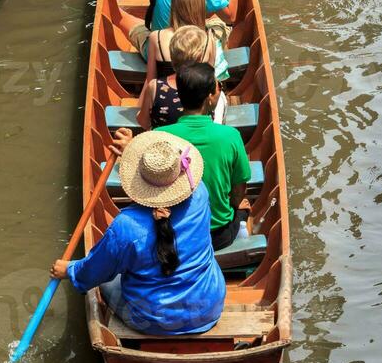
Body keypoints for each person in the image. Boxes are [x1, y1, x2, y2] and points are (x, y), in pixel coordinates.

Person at [51, 132, 225, 335]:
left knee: (106, 280)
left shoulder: (126, 227)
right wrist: (133, 153)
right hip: (207, 309)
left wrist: (70, 270)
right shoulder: (200, 194)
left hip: (151, 320)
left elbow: (91, 273)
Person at [157, 63, 251, 252]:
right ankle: (241, 230)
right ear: (210, 97)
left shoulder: (160, 135)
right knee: (243, 207)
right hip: (219, 236)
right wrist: (236, 204)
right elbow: (239, 190)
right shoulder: (231, 135)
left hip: (177, 234)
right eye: (218, 87)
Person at [143, 0, 229, 88]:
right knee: (220, 24)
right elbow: (208, 81)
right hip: (195, 100)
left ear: (174, 7)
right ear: (200, 8)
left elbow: (151, 79)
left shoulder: (156, 37)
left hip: (165, 96)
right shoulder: (208, 39)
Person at [138, 24, 214, 130]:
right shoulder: (209, 85)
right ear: (199, 57)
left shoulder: (155, 87)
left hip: (163, 144)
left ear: (172, 56)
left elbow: (143, 121)